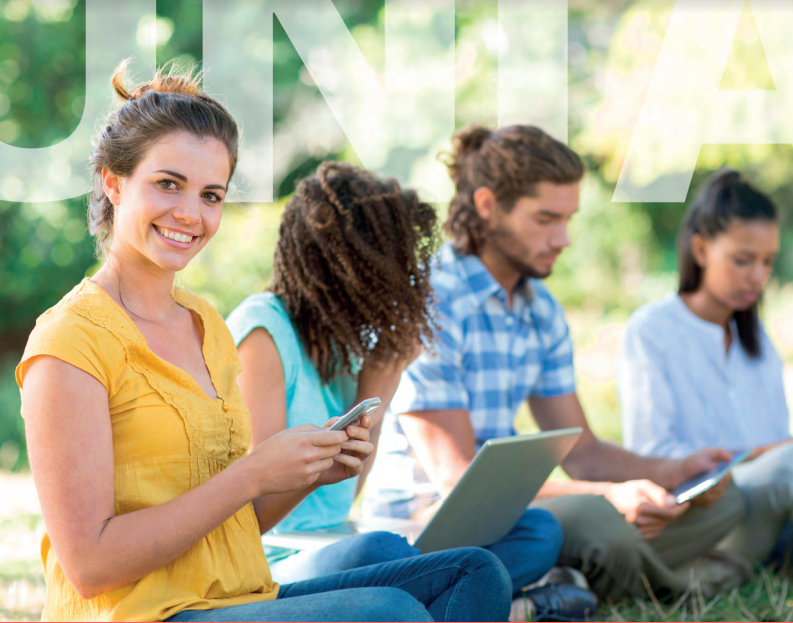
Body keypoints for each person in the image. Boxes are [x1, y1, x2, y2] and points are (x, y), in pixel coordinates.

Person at [14, 63, 513, 622]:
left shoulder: (206, 325)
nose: (190, 214)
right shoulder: (70, 342)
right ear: (113, 181)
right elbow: (90, 565)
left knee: (471, 571)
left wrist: (306, 475)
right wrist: (249, 475)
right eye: (167, 184)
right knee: (390, 610)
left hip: (236, 594)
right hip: (145, 614)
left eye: (211, 195)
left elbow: (236, 524)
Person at [362, 124, 747, 605]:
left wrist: (672, 470)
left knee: (722, 500)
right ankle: (679, 589)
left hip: (517, 519)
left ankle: (571, 582)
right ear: (487, 206)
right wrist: (607, 498)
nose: (562, 238)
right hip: (426, 530)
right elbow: (457, 483)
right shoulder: (432, 300)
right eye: (545, 218)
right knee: (593, 520)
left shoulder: (539, 308)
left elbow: (583, 452)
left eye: (568, 218)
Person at [226, 162, 579, 620]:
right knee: (380, 551)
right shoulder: (263, 332)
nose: (400, 285)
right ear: (343, 267)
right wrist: (321, 461)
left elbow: (345, 496)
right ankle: (502, 607)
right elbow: (250, 515)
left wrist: (381, 382)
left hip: (341, 534)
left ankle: (465, 601)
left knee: (536, 530)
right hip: (277, 558)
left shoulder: (342, 341)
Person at [619, 169, 793, 572]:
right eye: (742, 260)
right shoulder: (652, 331)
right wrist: (755, 456)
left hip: (772, 503)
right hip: (714, 510)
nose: (757, 276)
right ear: (700, 251)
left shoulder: (756, 339)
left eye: (767, 262)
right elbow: (654, 454)